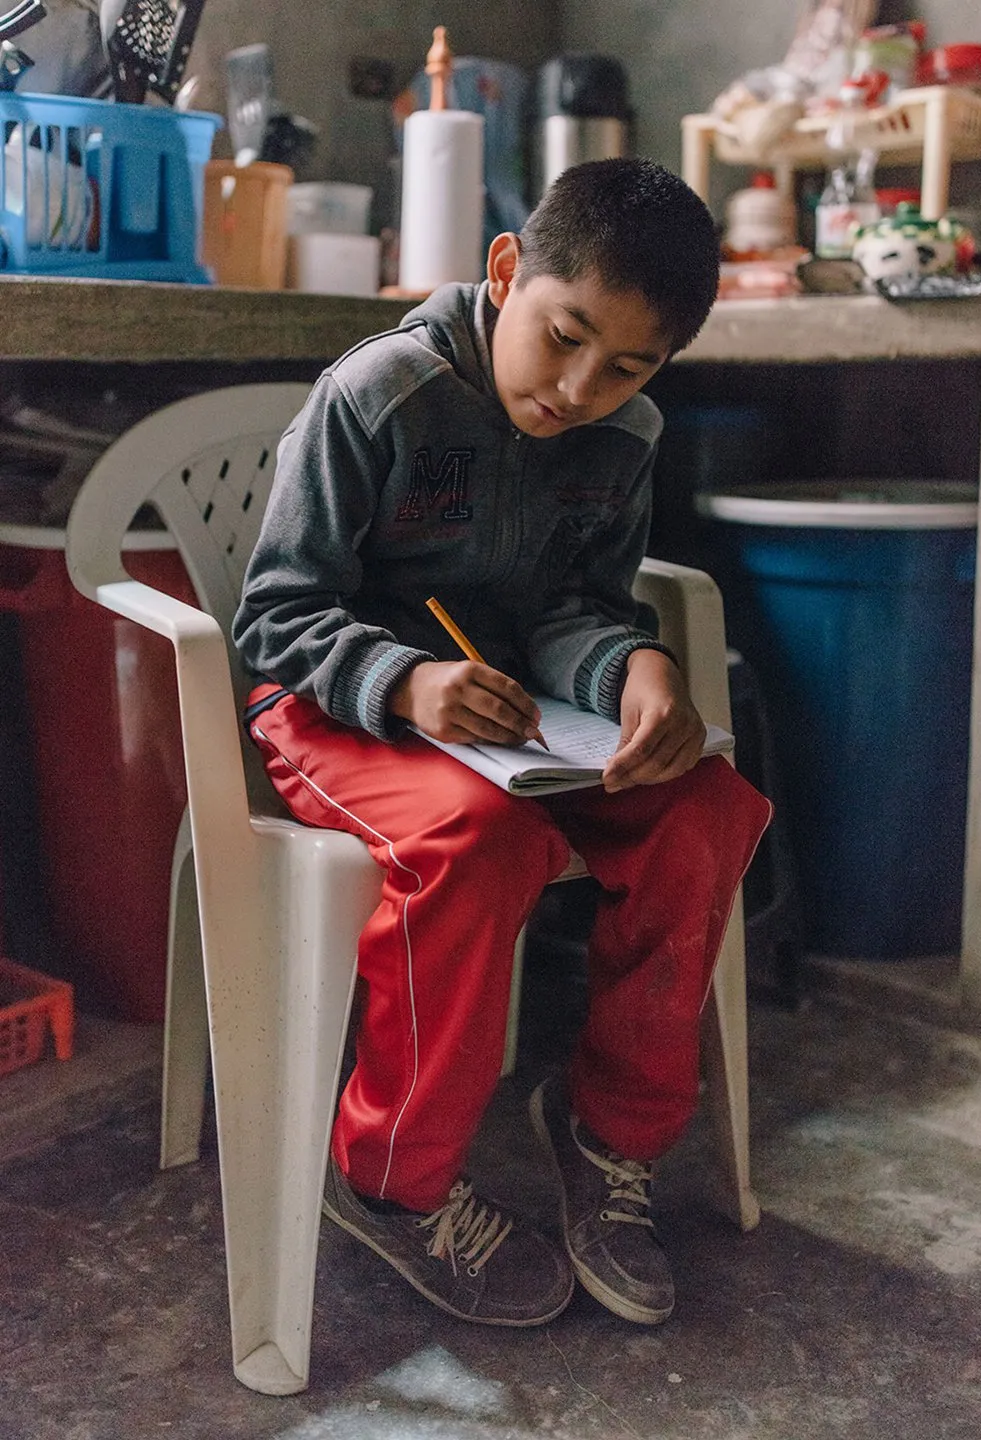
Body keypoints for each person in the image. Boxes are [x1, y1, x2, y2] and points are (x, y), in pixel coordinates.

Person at [233, 157, 772, 1330]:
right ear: (503, 270)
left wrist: (636, 669)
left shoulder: (623, 433)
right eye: (564, 336)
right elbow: (271, 619)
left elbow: (577, 607)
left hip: (519, 718)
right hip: (338, 711)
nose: (581, 387)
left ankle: (604, 1130)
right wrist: (405, 682)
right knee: (478, 845)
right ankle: (388, 1179)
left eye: (627, 365)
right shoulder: (377, 394)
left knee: (704, 810)